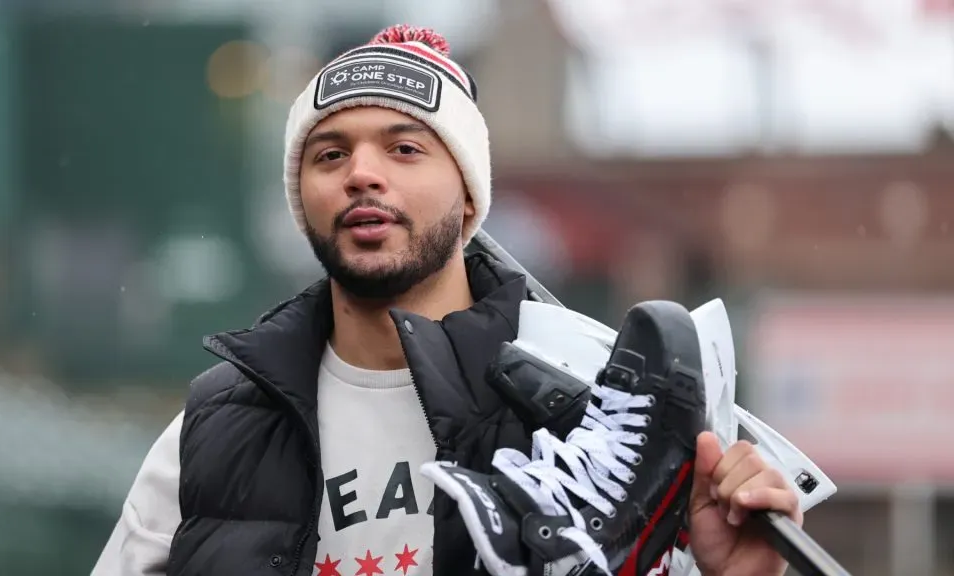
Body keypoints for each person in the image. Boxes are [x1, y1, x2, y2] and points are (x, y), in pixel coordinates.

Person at [92, 24, 802, 576]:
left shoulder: (596, 419)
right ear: (303, 201)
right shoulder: (215, 429)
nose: (362, 173)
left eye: (404, 149)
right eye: (330, 154)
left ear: (468, 198)